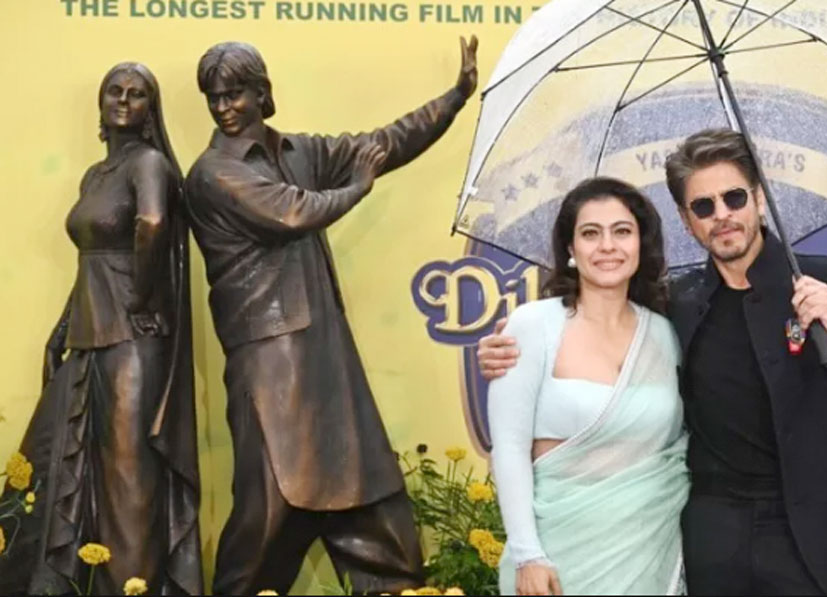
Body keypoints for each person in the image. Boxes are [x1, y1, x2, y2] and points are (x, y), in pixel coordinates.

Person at [479, 128, 827, 595]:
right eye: (704, 206)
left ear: (759, 198)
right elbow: (596, 325)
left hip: (821, 541)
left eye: (734, 198)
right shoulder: (676, 304)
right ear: (687, 220)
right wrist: (507, 351)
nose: (722, 215)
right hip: (714, 545)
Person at [183, 39, 478, 594]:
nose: (223, 107)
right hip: (268, 361)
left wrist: (454, 98)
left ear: (262, 92)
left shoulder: (299, 152)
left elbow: (383, 144)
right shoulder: (212, 174)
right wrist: (357, 187)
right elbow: (295, 213)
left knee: (367, 490)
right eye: (214, 98)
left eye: (235, 94)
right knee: (270, 506)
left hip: (323, 352)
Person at [0, 63, 201, 596]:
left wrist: (138, 300)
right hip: (88, 338)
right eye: (115, 91)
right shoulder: (95, 175)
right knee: (53, 469)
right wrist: (61, 329)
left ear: (150, 110)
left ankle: (134, 587)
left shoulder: (149, 163)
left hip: (132, 342)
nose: (124, 100)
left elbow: (153, 223)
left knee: (127, 486)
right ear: (101, 101)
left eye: (137, 94)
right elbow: (90, 261)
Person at [489, 177, 688, 596]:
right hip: (555, 559)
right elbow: (508, 447)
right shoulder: (532, 325)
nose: (607, 246)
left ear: (641, 243)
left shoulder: (665, 334)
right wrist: (528, 555)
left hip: (648, 552)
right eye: (591, 233)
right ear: (570, 247)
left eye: (622, 231)